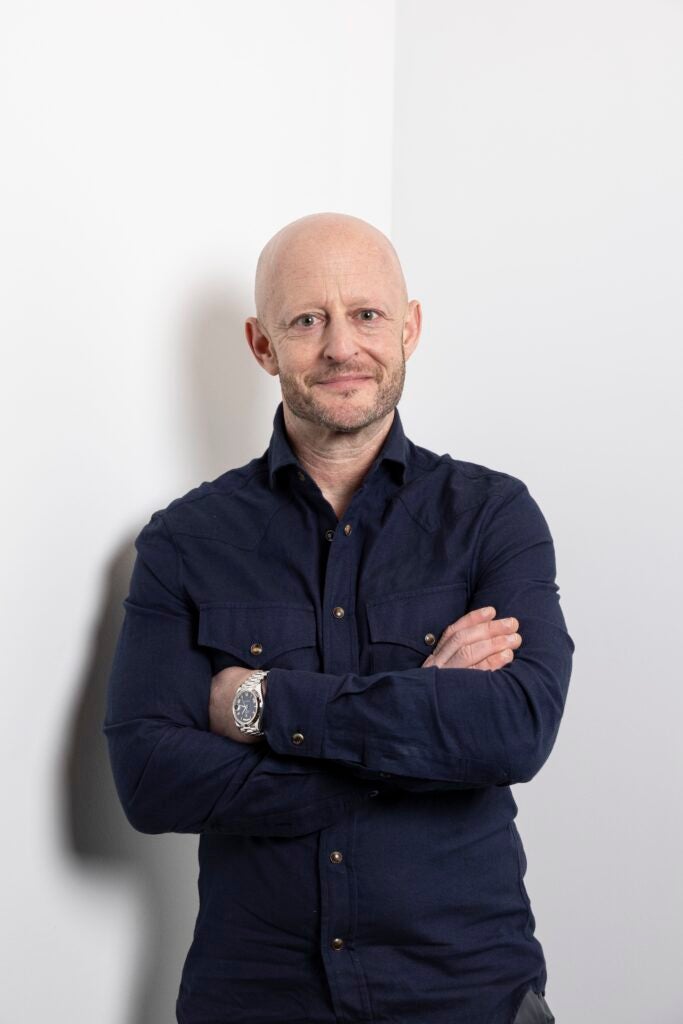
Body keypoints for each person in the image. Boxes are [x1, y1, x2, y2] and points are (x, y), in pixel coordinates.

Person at [103, 212, 573, 1024]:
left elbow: (515, 729)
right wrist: (417, 725)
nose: (340, 347)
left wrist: (261, 703)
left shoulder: (492, 517)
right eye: (306, 320)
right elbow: (149, 781)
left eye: (366, 315)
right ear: (262, 345)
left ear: (409, 327)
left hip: (465, 995)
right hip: (256, 998)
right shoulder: (185, 539)